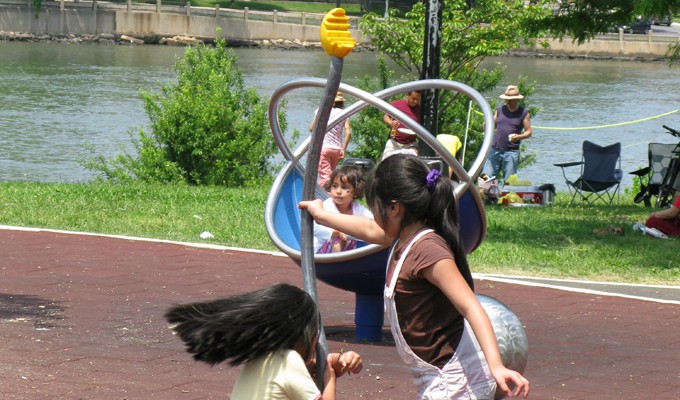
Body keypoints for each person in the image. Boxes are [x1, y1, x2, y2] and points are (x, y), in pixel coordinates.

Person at [299, 154, 530, 399]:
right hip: (436, 377)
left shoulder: (428, 250)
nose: (373, 216)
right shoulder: (402, 236)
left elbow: (471, 307)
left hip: (457, 382)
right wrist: (322, 215)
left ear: (394, 208)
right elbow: (368, 229)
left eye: (375, 208)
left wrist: (496, 366)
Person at [164, 283, 363, 400]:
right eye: (315, 333)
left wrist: (327, 365)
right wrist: (329, 376)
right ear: (303, 334)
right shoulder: (289, 360)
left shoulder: (261, 358)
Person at [315, 165, 373, 253]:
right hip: (323, 251)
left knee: (370, 235)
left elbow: (372, 222)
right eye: (334, 186)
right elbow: (314, 228)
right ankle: (336, 262)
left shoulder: (357, 208)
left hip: (349, 250)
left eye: (344, 187)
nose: (338, 191)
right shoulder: (326, 206)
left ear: (356, 192)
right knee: (339, 236)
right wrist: (335, 232)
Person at [483, 85, 532, 181]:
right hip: (495, 149)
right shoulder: (500, 109)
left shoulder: (524, 113)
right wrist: (486, 125)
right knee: (486, 177)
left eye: (511, 100)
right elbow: (493, 125)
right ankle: (487, 195)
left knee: (509, 181)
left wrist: (519, 137)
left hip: (511, 151)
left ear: (517, 100)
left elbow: (529, 132)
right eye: (507, 100)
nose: (509, 102)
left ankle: (507, 195)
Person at [309, 92, 352, 187]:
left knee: (325, 178)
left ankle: (324, 198)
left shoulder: (322, 110)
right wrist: (343, 149)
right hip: (337, 149)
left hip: (325, 148)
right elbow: (348, 133)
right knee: (331, 176)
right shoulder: (344, 113)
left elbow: (312, 128)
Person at [382, 91, 421, 160]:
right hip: (394, 142)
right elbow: (386, 117)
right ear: (407, 95)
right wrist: (391, 123)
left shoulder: (420, 109)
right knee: (385, 162)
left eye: (417, 99)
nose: (415, 101)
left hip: (410, 144)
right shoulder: (397, 104)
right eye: (413, 98)